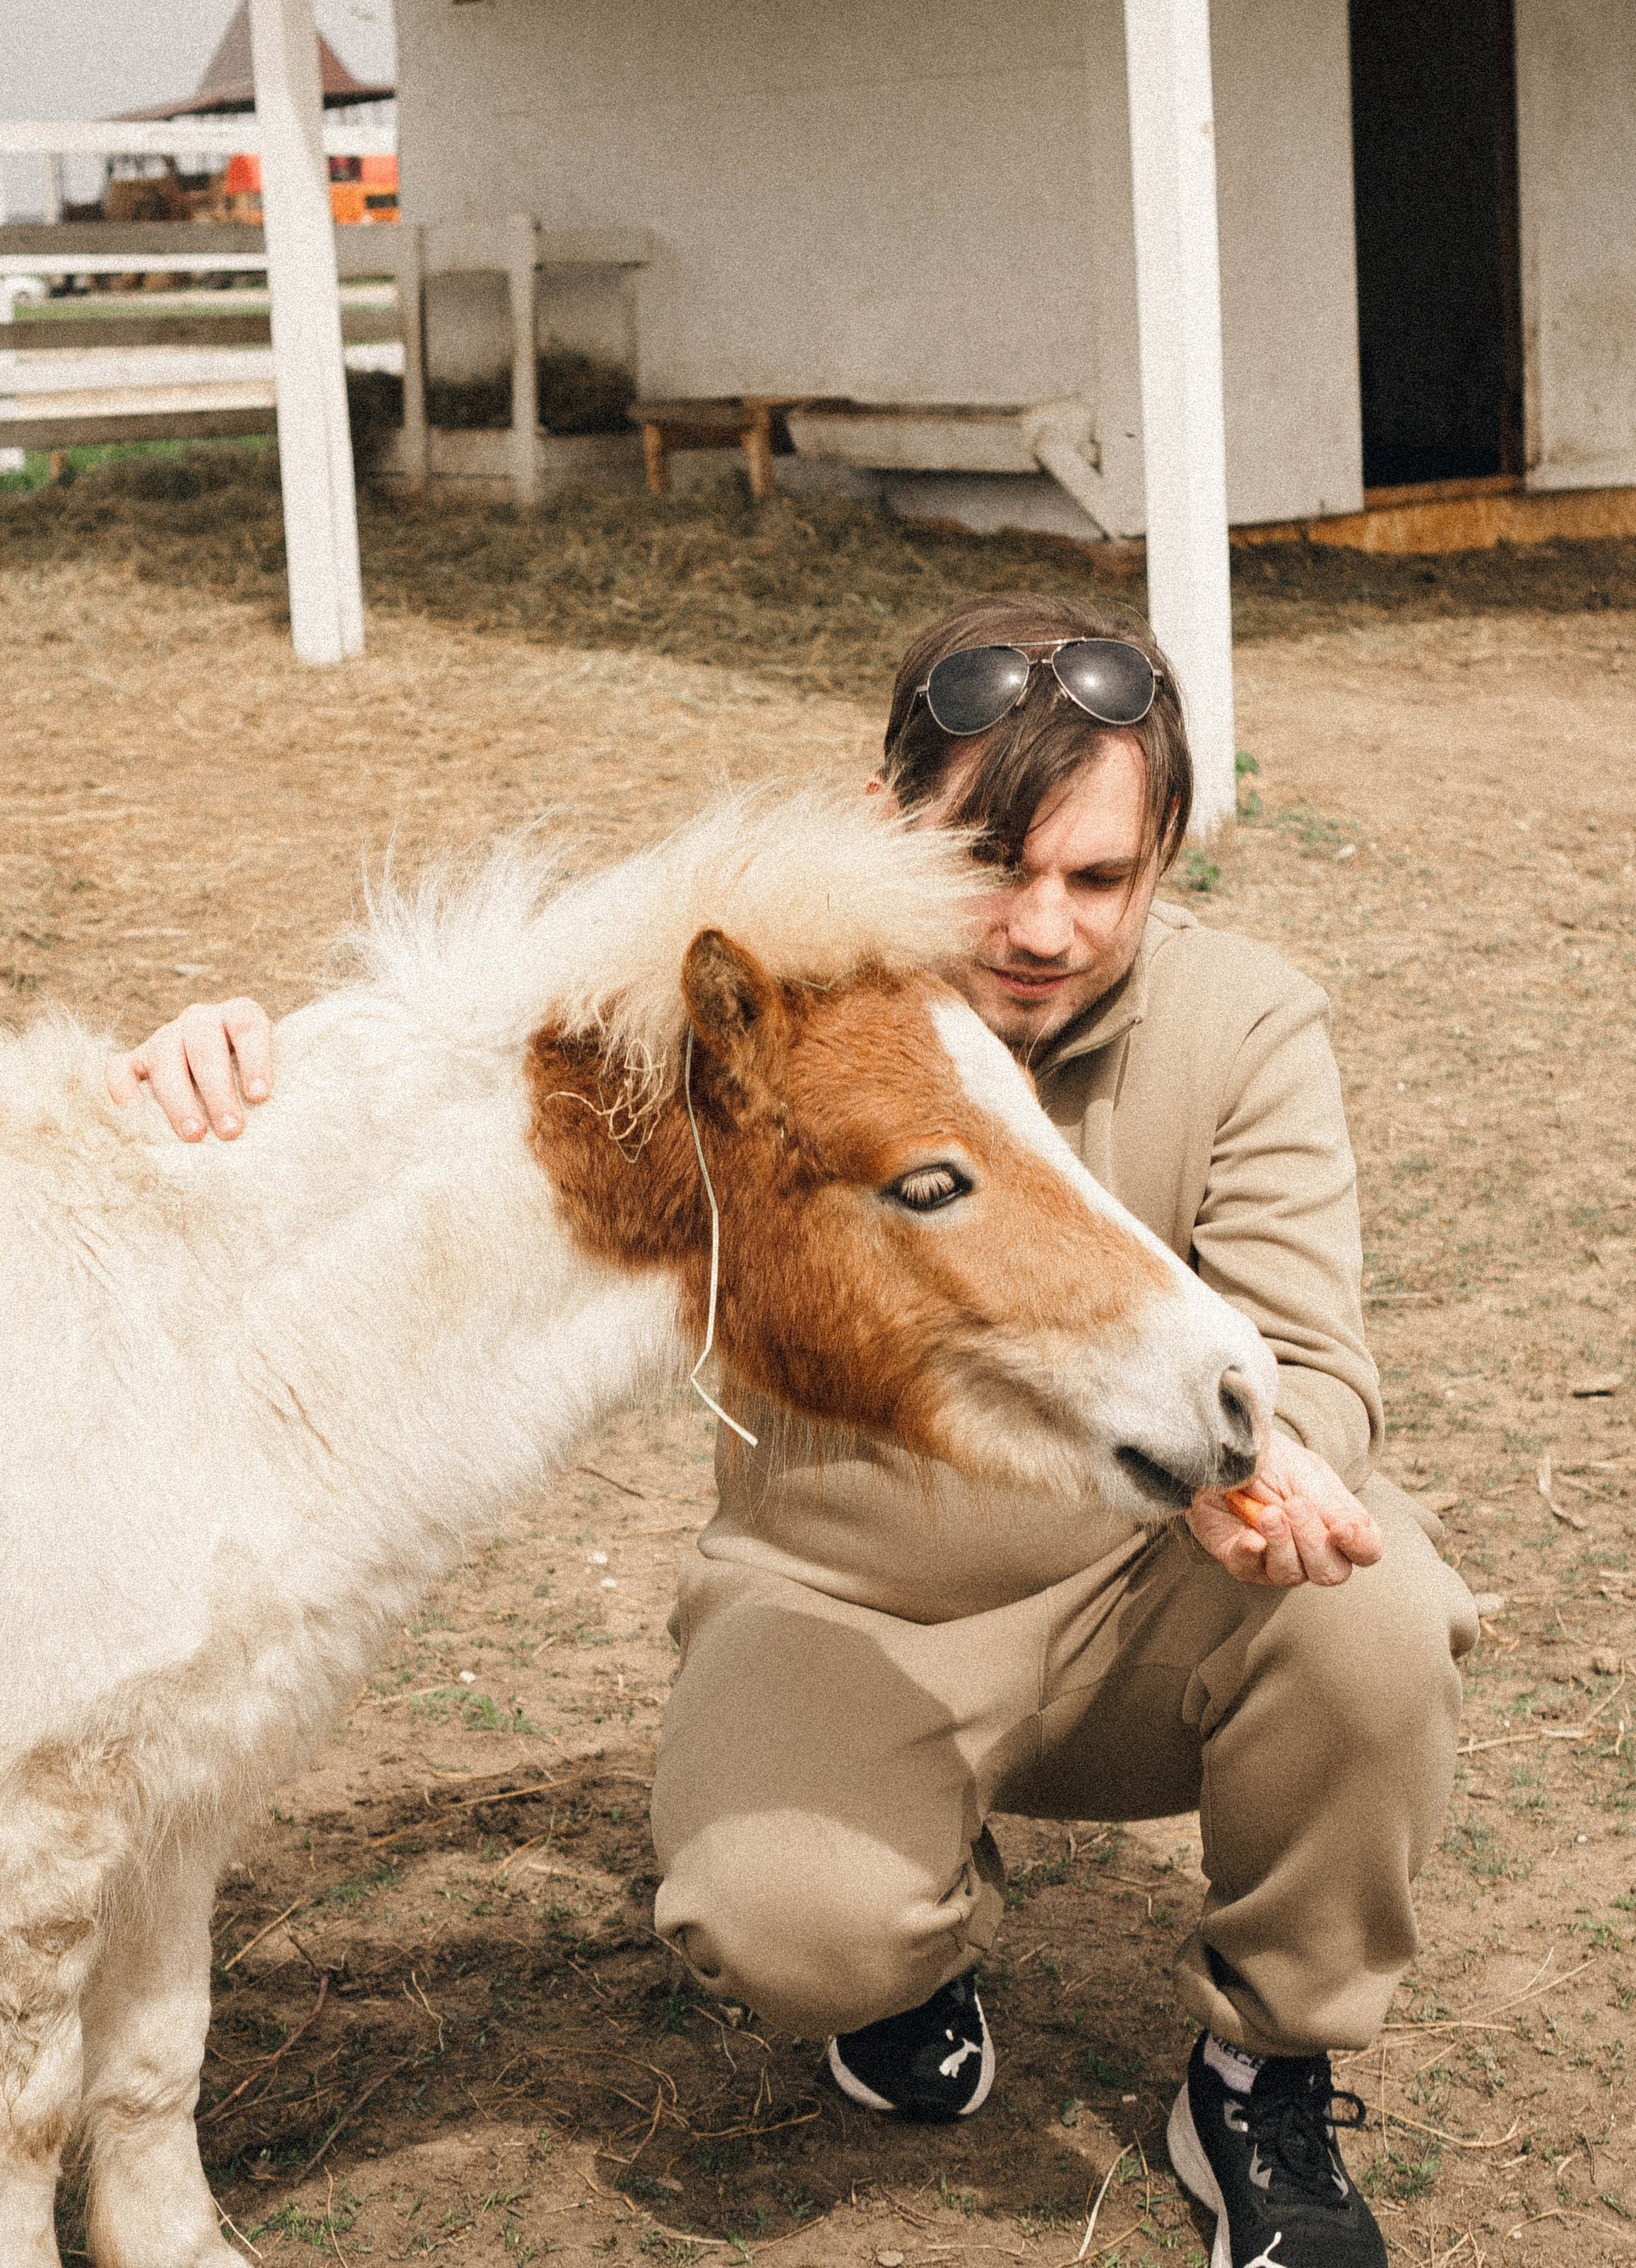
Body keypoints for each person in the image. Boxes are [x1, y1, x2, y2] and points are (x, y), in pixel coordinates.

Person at [112, 595, 1476, 2268]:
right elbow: (471, 1057)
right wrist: (241, 1067)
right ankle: (901, 1942)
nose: (1041, 927)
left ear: (1163, 855)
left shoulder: (1244, 1021)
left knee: (1376, 1608)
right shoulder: (767, 1010)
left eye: (1099, 878)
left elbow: (1308, 1360)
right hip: (840, 1609)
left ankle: (1263, 2068)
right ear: (899, 827)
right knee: (779, 1921)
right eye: (992, 863)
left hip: (1134, 1599)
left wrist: (1280, 1467)